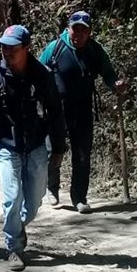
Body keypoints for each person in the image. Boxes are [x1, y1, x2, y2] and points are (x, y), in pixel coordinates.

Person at [0, 24, 67, 270]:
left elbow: (56, 112)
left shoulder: (43, 75)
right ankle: (13, 247)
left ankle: (18, 225)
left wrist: (59, 147)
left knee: (35, 200)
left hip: (36, 144)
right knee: (12, 197)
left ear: (26, 48)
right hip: (6, 146)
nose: (7, 52)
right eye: (4, 47)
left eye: (13, 48)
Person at [38, 11, 125, 214]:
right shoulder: (56, 47)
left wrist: (116, 85)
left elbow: (108, 73)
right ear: (68, 29)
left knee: (83, 153)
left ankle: (79, 197)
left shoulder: (95, 51)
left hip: (83, 108)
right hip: (56, 109)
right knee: (52, 151)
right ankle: (52, 189)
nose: (78, 34)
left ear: (89, 32)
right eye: (75, 29)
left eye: (83, 30)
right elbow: (39, 70)